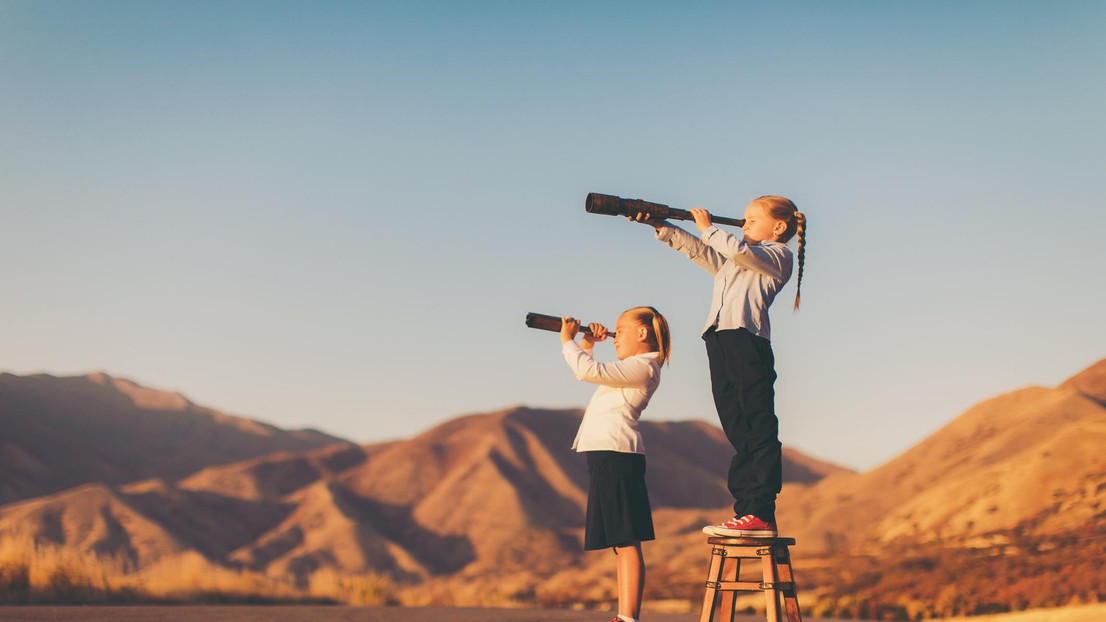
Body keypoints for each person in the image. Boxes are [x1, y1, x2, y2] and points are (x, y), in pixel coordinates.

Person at [630, 196, 806, 538]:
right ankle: (746, 511)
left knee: (758, 424)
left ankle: (761, 511)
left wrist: (709, 227)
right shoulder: (737, 260)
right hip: (720, 339)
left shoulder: (777, 256)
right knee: (736, 425)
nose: (743, 225)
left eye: (751, 219)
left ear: (778, 227)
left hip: (747, 340)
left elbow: (735, 250)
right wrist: (660, 225)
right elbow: (700, 251)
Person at [559, 306, 671, 622]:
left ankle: (628, 617)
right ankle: (624, 616)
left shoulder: (645, 367)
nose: (615, 335)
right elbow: (594, 369)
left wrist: (568, 341)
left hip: (616, 453)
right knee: (621, 543)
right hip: (607, 453)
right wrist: (589, 344)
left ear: (642, 333)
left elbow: (587, 372)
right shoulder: (634, 367)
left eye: (620, 330)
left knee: (626, 538)